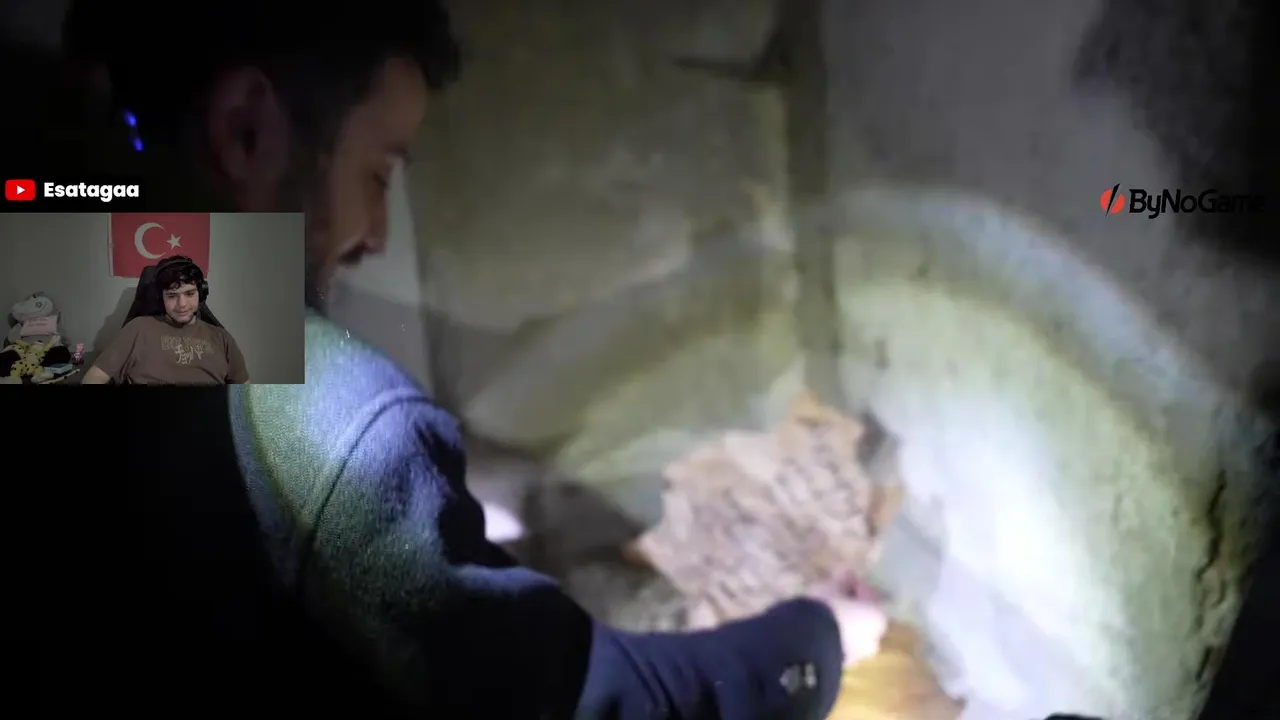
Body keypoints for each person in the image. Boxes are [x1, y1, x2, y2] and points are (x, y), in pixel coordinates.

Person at [55, 2, 888, 717]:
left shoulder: (54, 315)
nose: (376, 236)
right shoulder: (334, 421)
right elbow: (595, 703)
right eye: (378, 174)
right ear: (246, 129)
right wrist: (816, 637)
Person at [82, 256, 250, 385]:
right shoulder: (137, 329)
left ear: (201, 293)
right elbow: (94, 377)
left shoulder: (222, 338)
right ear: (160, 298)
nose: (182, 304)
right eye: (172, 296)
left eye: (189, 294)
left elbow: (245, 393)